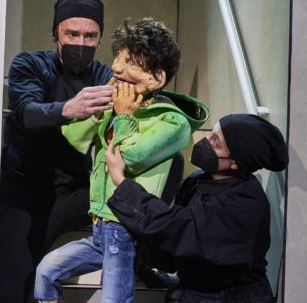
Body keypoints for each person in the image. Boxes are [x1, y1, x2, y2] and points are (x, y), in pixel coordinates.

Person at [34, 18, 208, 303]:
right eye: (118, 57)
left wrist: (124, 116)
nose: (116, 68)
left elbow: (127, 158)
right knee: (46, 271)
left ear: (156, 78)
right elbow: (73, 138)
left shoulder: (172, 122)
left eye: (130, 62)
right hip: (100, 224)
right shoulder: (116, 106)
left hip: (126, 227)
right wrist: (97, 112)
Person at [0, 0, 113, 302]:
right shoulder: (30, 64)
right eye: (72, 34)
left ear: (100, 38)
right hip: (26, 187)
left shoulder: (104, 75)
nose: (81, 43)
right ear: (55, 34)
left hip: (75, 187)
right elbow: (26, 113)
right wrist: (67, 109)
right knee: (13, 280)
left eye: (90, 36)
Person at [106, 114, 288, 303]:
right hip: (193, 291)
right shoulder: (198, 181)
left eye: (216, 142)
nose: (206, 141)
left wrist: (121, 181)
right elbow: (170, 253)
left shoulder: (245, 203)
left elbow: (178, 228)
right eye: (211, 134)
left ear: (235, 163)